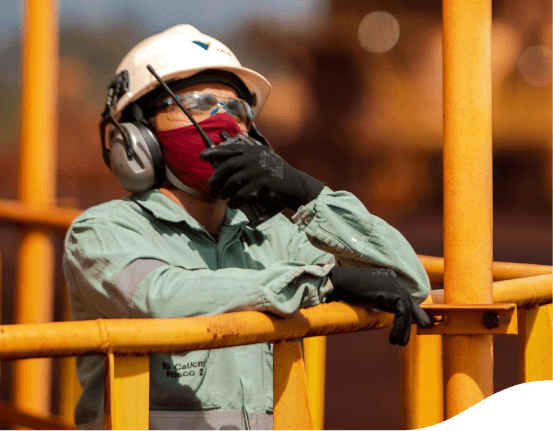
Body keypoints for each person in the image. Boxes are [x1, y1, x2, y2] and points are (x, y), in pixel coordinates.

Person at [62, 24, 431, 431]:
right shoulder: (100, 232)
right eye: (199, 103)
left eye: (237, 109)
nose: (224, 119)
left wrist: (307, 195)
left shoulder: (274, 234)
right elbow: (160, 299)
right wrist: (323, 282)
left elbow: (407, 282)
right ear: (137, 138)